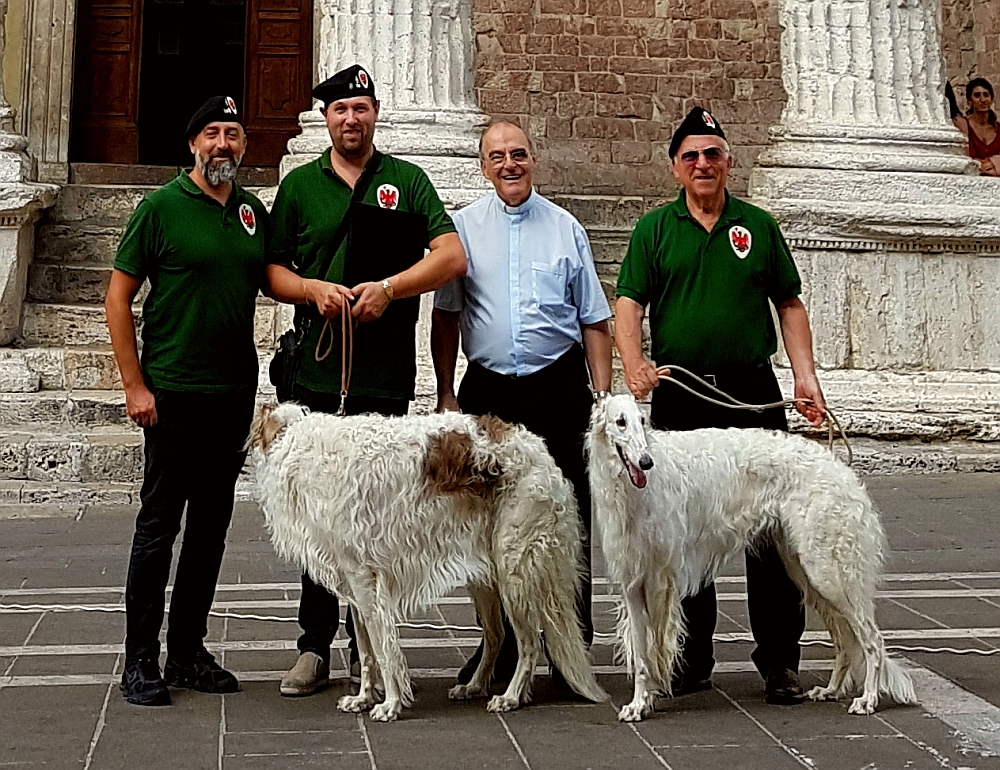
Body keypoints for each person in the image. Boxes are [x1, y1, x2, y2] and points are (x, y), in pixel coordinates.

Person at [614, 106, 827, 705]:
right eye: (691, 157)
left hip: (752, 395)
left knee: (771, 534)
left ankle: (781, 663)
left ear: (729, 161)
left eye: (713, 154)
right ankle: (689, 661)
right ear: (675, 169)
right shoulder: (654, 230)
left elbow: (789, 304)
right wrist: (633, 364)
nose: (703, 164)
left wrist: (805, 378)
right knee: (683, 532)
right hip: (683, 398)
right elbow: (628, 302)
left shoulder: (757, 226)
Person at [265, 64, 466, 697]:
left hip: (381, 377)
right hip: (317, 375)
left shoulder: (406, 182)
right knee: (318, 516)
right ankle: (313, 647)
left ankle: (369, 649)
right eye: (340, 110)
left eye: (361, 108)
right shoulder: (300, 186)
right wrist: (313, 289)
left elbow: (450, 256)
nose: (351, 119)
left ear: (376, 112)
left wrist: (389, 289)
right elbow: (272, 271)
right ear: (326, 119)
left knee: (375, 515)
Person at [431, 121, 613, 686]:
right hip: (490, 395)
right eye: (497, 157)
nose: (510, 164)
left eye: (519, 154)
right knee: (489, 524)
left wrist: (603, 400)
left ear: (534, 160)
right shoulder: (462, 229)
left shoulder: (565, 229)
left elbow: (593, 319)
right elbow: (446, 315)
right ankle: (501, 646)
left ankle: (569, 646)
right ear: (482, 166)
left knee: (566, 516)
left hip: (556, 388)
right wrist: (444, 391)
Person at [106, 96, 267, 706]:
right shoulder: (161, 208)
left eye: (232, 133)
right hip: (172, 392)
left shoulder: (252, 212)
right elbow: (118, 299)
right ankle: (140, 660)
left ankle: (188, 651)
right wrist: (134, 385)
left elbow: (269, 276)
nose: (222, 144)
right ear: (192, 145)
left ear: (243, 145)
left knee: (210, 529)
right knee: (157, 528)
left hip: (231, 396)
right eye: (211, 134)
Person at [951, 78, 1000, 176]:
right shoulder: (962, 125)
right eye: (977, 95)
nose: (982, 100)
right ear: (969, 101)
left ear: (991, 99)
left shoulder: (998, 129)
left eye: (986, 95)